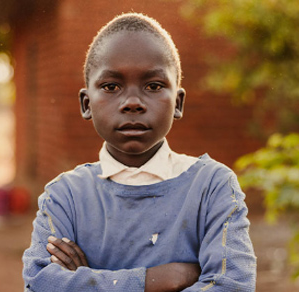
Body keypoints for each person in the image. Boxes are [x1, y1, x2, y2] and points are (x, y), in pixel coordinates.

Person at [22, 13, 256, 292]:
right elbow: (40, 283)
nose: (132, 102)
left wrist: (86, 282)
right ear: (86, 103)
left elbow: (233, 285)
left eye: (153, 86)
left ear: (178, 102)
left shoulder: (211, 187)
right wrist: (154, 280)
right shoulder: (66, 196)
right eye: (111, 87)